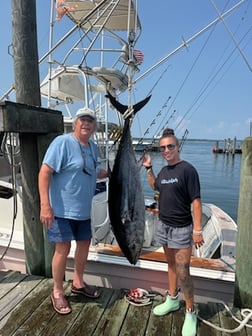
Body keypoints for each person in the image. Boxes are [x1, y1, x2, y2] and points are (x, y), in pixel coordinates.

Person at [38, 107, 108, 315]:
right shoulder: (62, 142)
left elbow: (94, 172)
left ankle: (78, 283)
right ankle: (58, 291)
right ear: (75, 123)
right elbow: (44, 173)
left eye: (90, 121)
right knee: (63, 248)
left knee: (84, 244)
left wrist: (116, 171)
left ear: (94, 126)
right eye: (82, 120)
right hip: (62, 210)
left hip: (83, 211)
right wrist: (45, 205)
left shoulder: (93, 147)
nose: (86, 124)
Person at [142, 128, 204, 336]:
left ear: (178, 147)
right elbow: (155, 187)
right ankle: (172, 299)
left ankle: (190, 311)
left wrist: (197, 229)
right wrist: (149, 169)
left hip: (182, 228)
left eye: (170, 146)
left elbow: (196, 201)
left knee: (183, 271)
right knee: (169, 265)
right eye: (163, 148)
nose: (166, 150)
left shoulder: (188, 170)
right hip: (163, 225)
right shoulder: (164, 172)